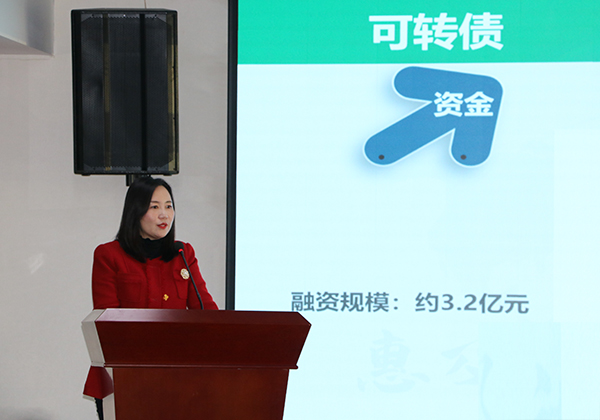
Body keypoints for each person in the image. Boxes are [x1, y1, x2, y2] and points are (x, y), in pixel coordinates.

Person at [83, 177, 218, 420]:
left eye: (169, 206)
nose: (164, 214)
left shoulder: (182, 254)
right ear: (135, 211)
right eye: (154, 207)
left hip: (177, 378)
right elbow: (107, 321)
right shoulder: (109, 255)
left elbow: (207, 311)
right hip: (123, 377)